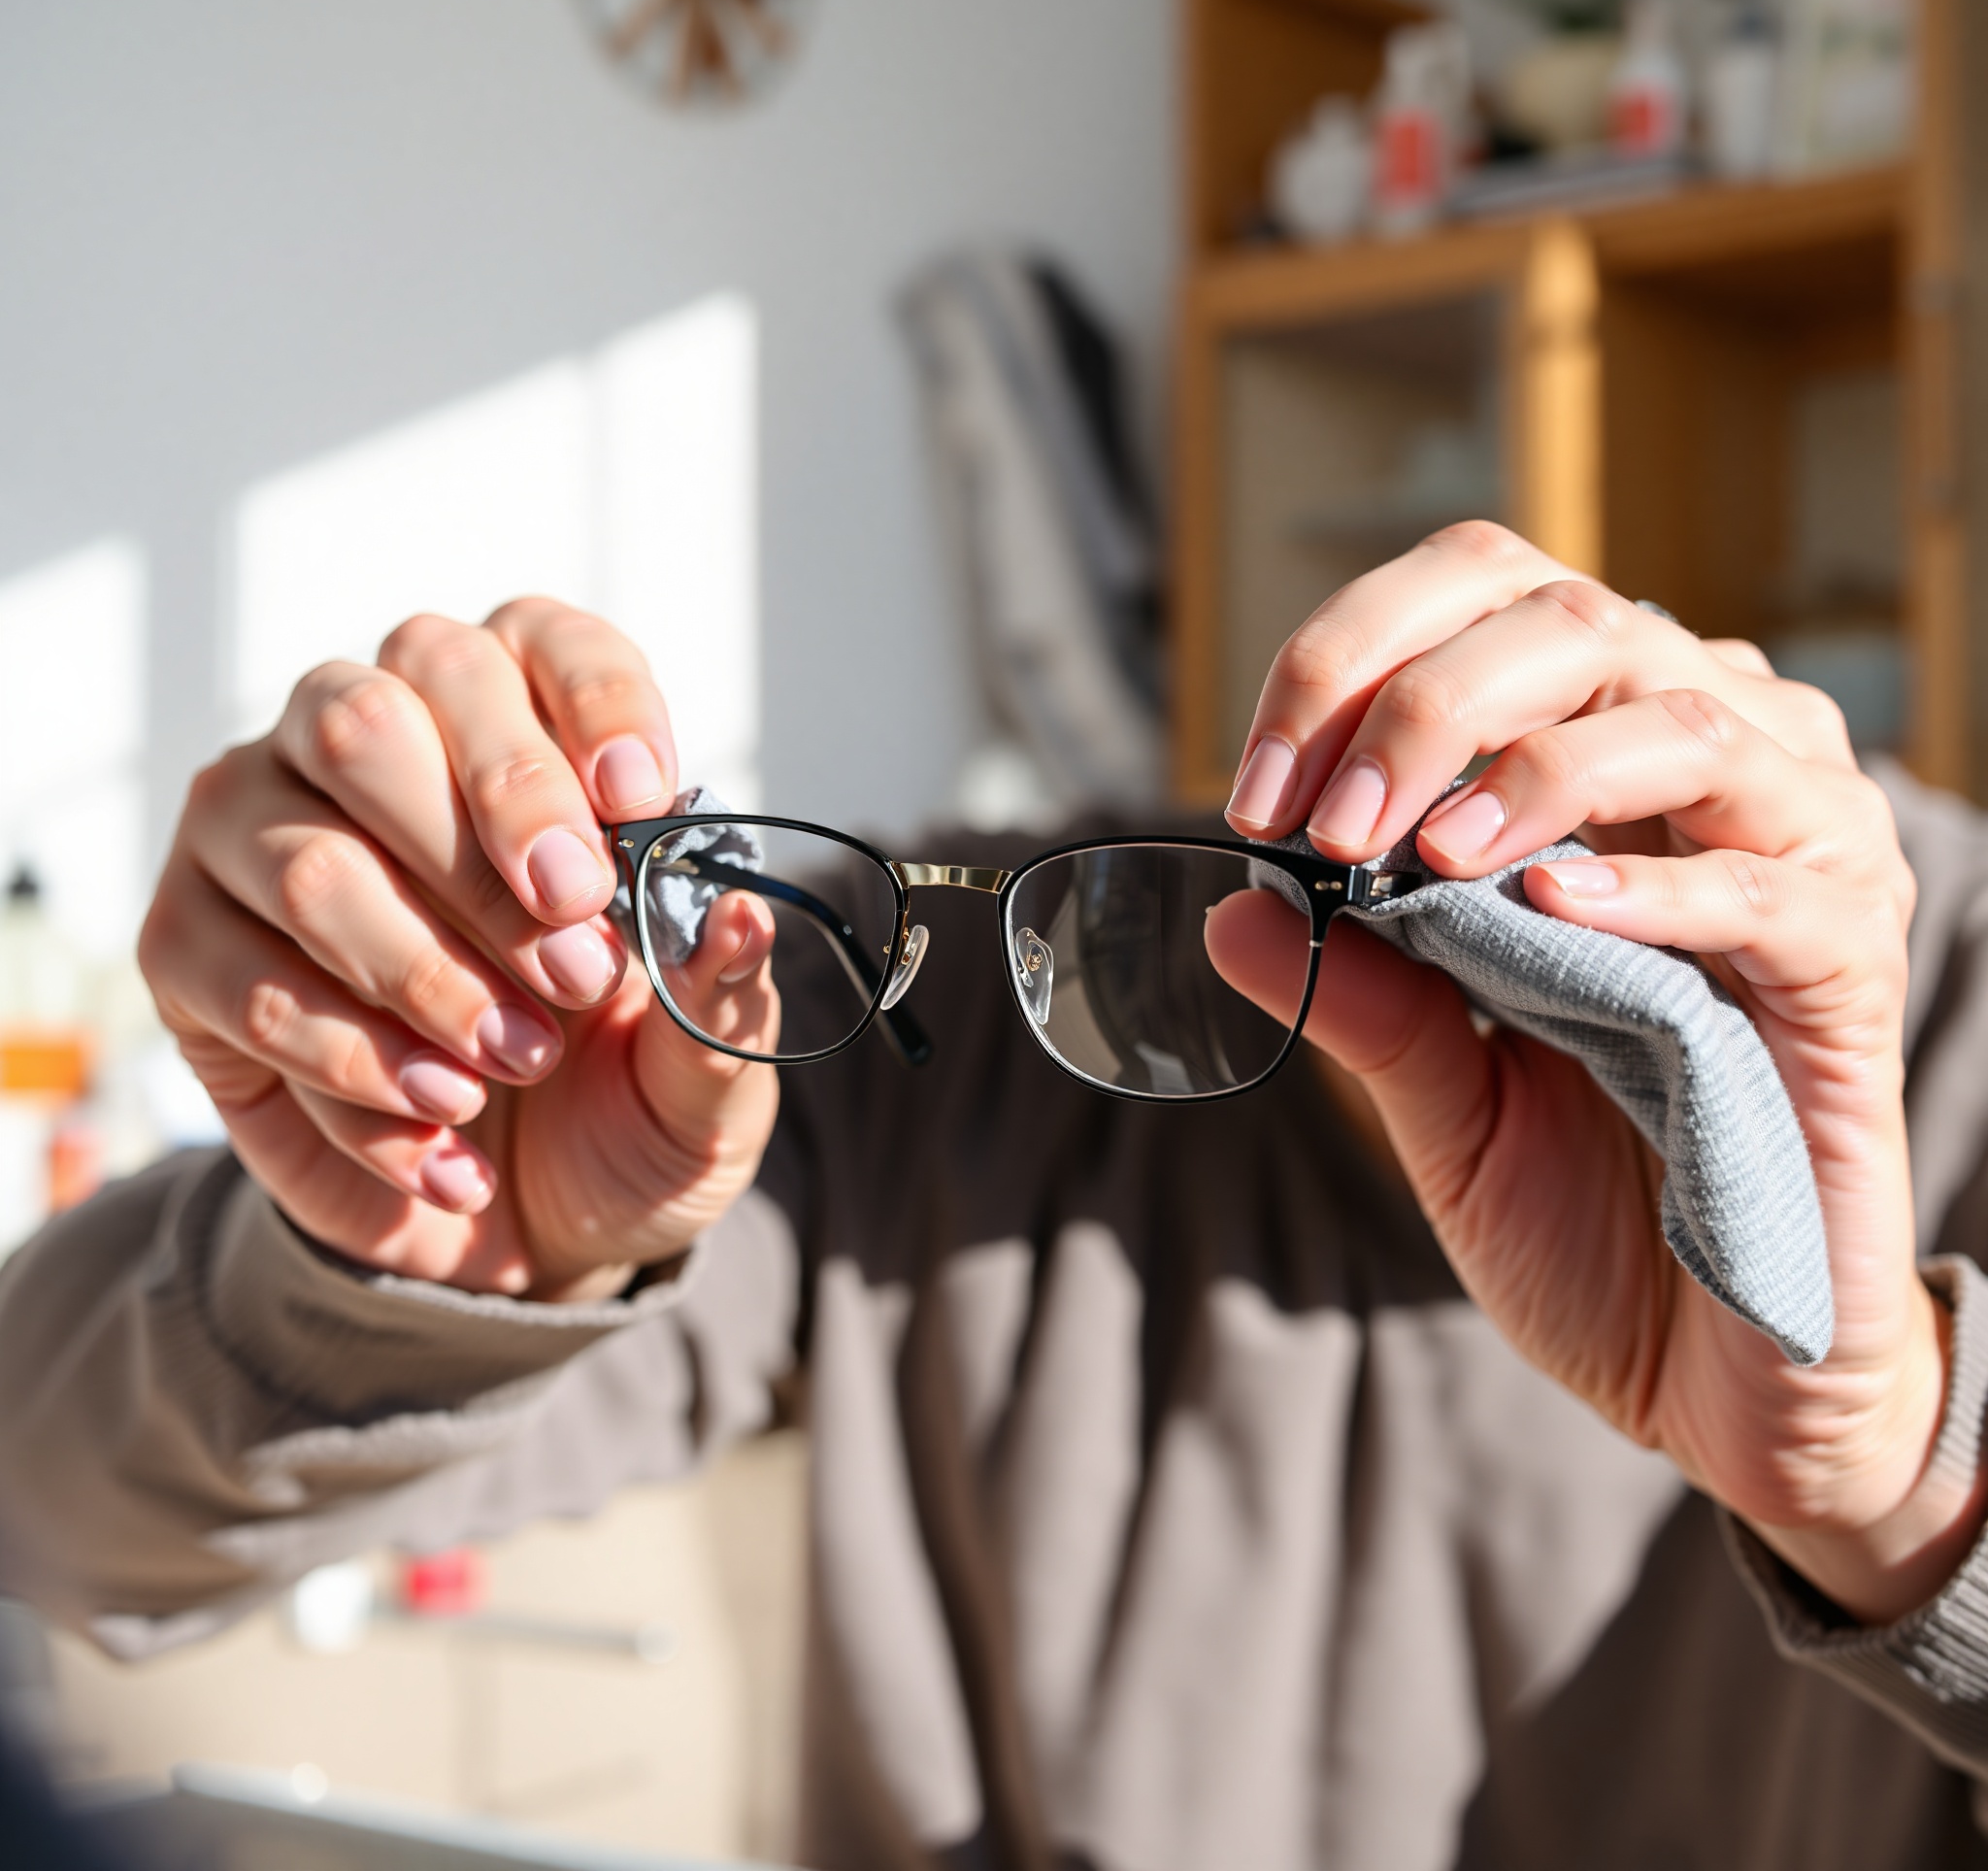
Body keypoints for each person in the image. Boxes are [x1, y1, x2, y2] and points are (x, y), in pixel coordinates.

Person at [4, 527, 1988, 1868]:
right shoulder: (931, 1012)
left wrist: (1893, 1474)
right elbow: (52, 1509)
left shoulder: (1939, 1013)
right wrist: (402, 1258)